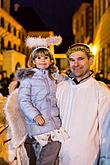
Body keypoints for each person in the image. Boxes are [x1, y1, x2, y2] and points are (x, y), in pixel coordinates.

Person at [16, 36, 69, 165]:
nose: (42, 60)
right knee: (50, 151)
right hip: (39, 123)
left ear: (51, 60)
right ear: (33, 61)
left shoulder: (53, 76)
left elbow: (68, 82)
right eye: (38, 58)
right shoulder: (28, 78)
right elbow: (23, 100)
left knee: (56, 155)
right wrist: (35, 115)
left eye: (46, 57)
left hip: (55, 121)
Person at [56, 43, 110, 165]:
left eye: (81, 59)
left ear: (91, 60)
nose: (76, 64)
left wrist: (105, 159)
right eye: (72, 60)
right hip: (61, 155)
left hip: (88, 157)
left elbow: (107, 131)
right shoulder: (60, 88)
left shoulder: (101, 90)